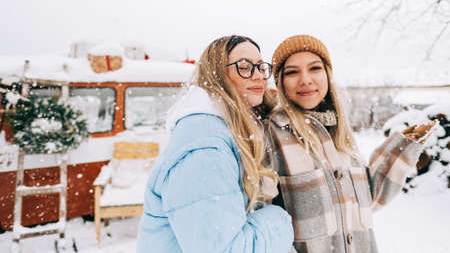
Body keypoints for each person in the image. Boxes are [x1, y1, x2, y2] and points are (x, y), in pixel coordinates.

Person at [265, 34, 436, 253]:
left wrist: (403, 147)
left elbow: (367, 201)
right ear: (280, 83)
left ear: (327, 74)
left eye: (315, 68)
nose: (305, 79)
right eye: (292, 72)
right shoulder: (270, 134)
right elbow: (263, 218)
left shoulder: (340, 135)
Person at [137, 35, 294, 253]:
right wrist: (281, 218)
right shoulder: (204, 148)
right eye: (245, 67)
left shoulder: (226, 129)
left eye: (260, 67)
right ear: (218, 74)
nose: (258, 75)